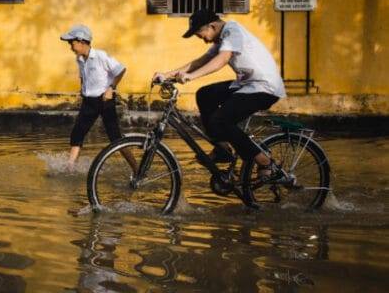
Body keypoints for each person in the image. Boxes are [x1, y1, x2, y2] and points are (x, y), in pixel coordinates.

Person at [152, 9, 286, 180]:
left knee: (220, 121)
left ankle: (265, 162)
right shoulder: (222, 37)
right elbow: (201, 61)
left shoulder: (233, 31)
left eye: (201, 34)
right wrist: (168, 74)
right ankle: (222, 148)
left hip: (265, 87)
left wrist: (191, 76)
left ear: (212, 26)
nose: (202, 40)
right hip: (247, 84)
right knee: (205, 95)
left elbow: (222, 60)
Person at [60, 24, 137, 173]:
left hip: (104, 100)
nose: (70, 47)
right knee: (77, 134)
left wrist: (111, 88)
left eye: (72, 43)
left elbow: (121, 70)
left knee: (115, 138)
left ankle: (136, 168)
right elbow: (84, 77)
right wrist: (82, 91)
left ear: (82, 42)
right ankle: (70, 168)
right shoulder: (80, 59)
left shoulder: (100, 56)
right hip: (89, 102)